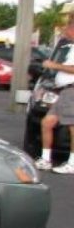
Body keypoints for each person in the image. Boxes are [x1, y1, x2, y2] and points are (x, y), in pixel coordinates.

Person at [36, 25, 74, 174]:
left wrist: (54, 65)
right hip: (64, 91)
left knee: (72, 127)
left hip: (72, 90)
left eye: (68, 27)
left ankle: (72, 163)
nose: (65, 30)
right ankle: (46, 159)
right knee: (47, 122)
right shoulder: (69, 46)